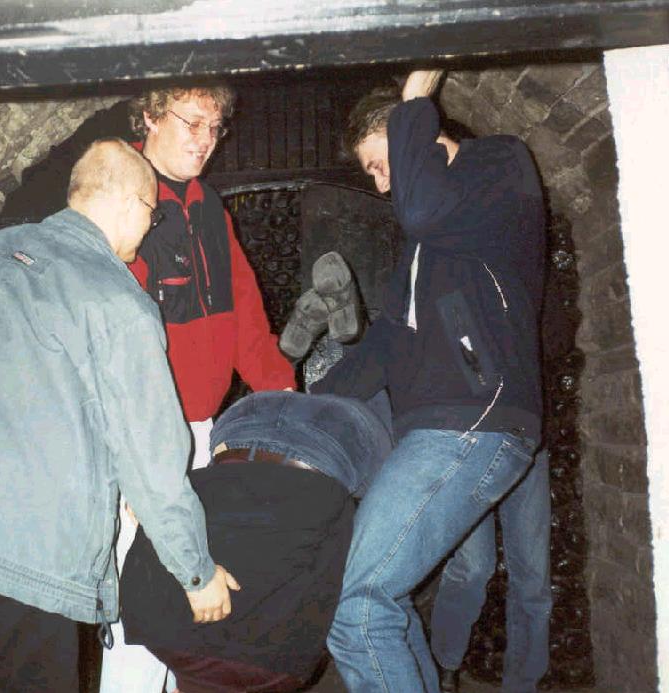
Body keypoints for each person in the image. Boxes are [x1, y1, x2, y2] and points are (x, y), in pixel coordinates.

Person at [0, 139, 239, 692]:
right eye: (152, 213)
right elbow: (153, 459)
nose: (150, 229)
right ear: (129, 203)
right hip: (29, 548)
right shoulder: (118, 302)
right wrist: (196, 572)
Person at [310, 68, 546, 692]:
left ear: (413, 133)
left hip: (473, 419)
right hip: (440, 428)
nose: (381, 184)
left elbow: (420, 209)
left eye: (380, 164)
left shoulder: (498, 165)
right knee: (377, 602)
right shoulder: (424, 248)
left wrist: (414, 102)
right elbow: (388, 341)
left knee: (357, 605)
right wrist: (309, 404)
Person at [102, 81, 297, 693]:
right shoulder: (121, 194)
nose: (205, 140)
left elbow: (246, 317)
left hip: (199, 430)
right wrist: (135, 461)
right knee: (141, 606)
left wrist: (285, 406)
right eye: (191, 122)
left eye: (214, 128)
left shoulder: (209, 205)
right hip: (144, 431)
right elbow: (109, 341)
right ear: (150, 118)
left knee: (181, 603)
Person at [120, 389, 393, 693]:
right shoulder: (149, 628)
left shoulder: (284, 671)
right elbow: (155, 521)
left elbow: (338, 567)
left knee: (385, 421)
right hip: (241, 423)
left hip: (337, 439)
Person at [430, 449, 552, 692]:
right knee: (473, 567)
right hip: (468, 441)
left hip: (528, 441)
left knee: (533, 580)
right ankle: (445, 662)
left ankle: (522, 686)